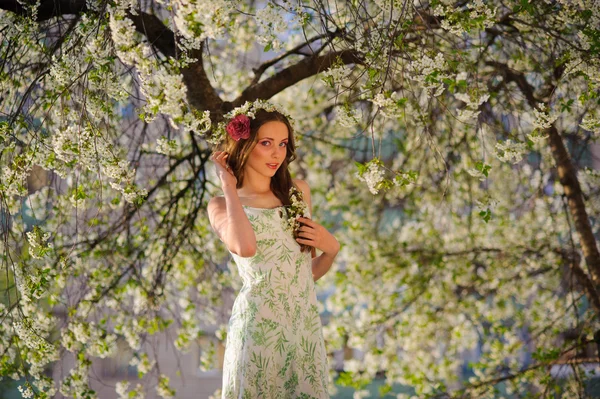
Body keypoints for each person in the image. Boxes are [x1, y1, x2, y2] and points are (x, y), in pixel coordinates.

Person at [207, 105, 340, 399]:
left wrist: (331, 251)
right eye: (266, 143)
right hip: (258, 330)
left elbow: (303, 273)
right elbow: (245, 247)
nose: (276, 154)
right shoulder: (220, 205)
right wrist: (229, 188)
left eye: (282, 144)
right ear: (244, 145)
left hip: (303, 330)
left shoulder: (297, 193)